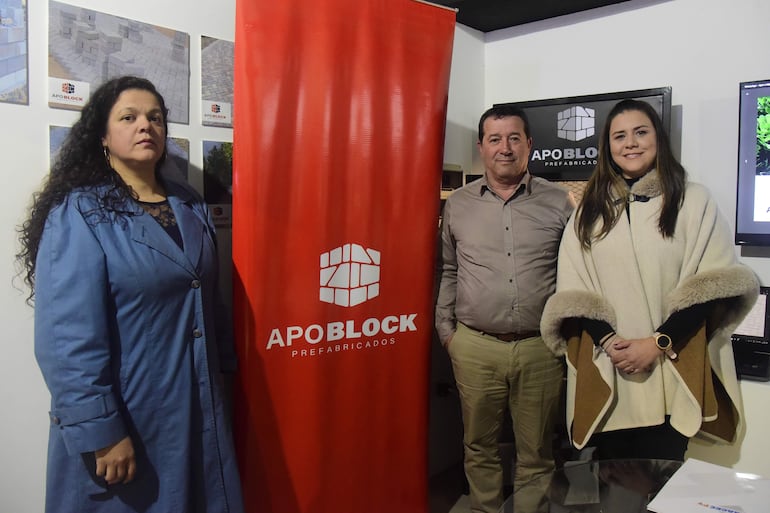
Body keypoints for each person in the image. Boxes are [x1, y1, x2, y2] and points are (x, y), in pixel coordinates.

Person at [17, 76, 244, 513]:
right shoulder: (79, 212)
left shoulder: (189, 205)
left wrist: (227, 378)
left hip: (197, 405)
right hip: (129, 416)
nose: (146, 126)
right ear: (102, 135)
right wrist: (100, 430)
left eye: (155, 118)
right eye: (129, 117)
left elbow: (209, 302)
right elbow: (66, 338)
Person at [540, 99, 758, 462]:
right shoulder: (589, 213)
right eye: (619, 136)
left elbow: (711, 288)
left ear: (658, 139)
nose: (631, 144)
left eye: (641, 133)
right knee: (611, 486)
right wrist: (609, 342)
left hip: (669, 366)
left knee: (662, 480)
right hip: (612, 366)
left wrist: (657, 342)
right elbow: (574, 291)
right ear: (607, 147)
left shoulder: (693, 201)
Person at [435, 104, 575, 513]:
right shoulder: (458, 204)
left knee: (537, 452)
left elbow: (578, 273)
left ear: (529, 144)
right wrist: (447, 332)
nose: (505, 148)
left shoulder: (557, 202)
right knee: (479, 446)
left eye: (514, 138)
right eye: (495, 139)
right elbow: (447, 268)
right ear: (481, 147)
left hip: (540, 349)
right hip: (475, 347)